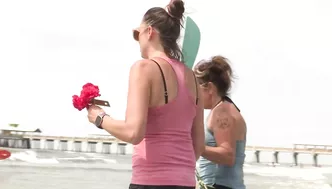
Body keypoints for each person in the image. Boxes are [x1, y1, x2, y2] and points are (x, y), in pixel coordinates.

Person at [86, 1, 205, 189]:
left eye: (137, 34)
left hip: (150, 181)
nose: (138, 41)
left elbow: (133, 132)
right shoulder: (193, 79)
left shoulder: (144, 68)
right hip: (185, 182)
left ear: (149, 32)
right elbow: (198, 146)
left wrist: (99, 118)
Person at [194, 56, 247, 189]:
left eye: (196, 87)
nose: (193, 93)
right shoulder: (227, 108)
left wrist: (195, 145)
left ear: (210, 88)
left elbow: (227, 156)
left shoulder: (221, 113)